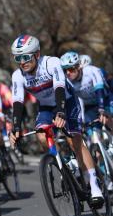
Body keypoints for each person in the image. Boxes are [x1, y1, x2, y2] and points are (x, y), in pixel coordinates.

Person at [9, 35, 103, 206]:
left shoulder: (51, 63)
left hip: (66, 102)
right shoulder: (18, 75)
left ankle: (95, 186)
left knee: (75, 141)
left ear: (37, 54)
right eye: (18, 58)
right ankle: (65, 165)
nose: (22, 62)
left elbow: (59, 86)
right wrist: (15, 127)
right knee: (42, 137)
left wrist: (60, 112)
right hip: (46, 107)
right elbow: (17, 102)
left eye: (26, 57)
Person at [60, 51, 113, 192]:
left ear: (79, 67)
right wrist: (81, 121)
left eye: (71, 69)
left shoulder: (91, 71)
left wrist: (103, 110)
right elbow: (78, 103)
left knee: (108, 119)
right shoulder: (68, 82)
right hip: (89, 107)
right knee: (91, 136)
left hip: (105, 100)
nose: (68, 73)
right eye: (65, 70)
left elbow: (100, 90)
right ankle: (105, 175)